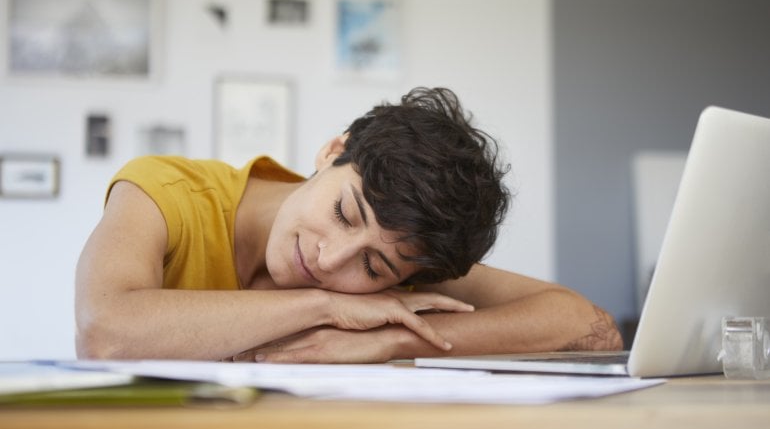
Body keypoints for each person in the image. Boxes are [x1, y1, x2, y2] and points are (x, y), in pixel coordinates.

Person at [75, 87, 622, 363]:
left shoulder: (404, 257)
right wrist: (327, 306)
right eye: (344, 212)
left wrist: (391, 341)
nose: (330, 259)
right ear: (333, 152)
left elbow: (589, 326)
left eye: (370, 265)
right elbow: (103, 332)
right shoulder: (165, 190)